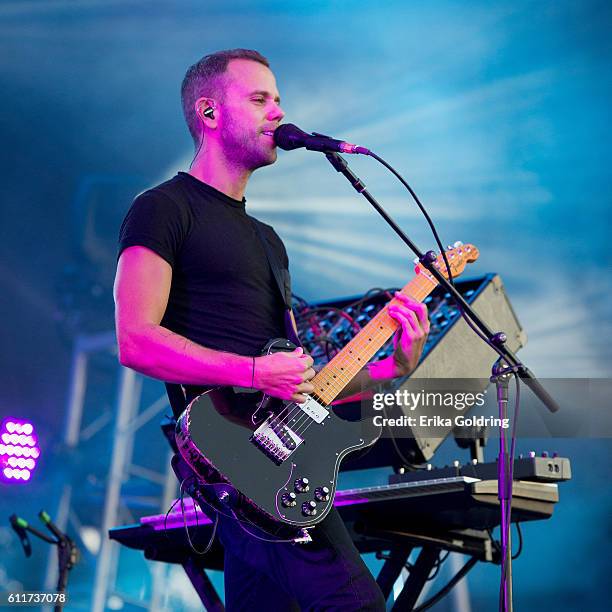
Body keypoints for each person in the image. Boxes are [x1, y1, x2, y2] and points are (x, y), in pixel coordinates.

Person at [114, 49, 430, 611]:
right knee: (355, 604)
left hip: (284, 464)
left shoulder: (268, 241)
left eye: (279, 99)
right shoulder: (162, 209)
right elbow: (135, 340)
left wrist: (394, 367)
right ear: (209, 113)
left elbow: (304, 389)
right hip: (228, 457)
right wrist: (253, 371)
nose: (278, 113)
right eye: (260, 99)